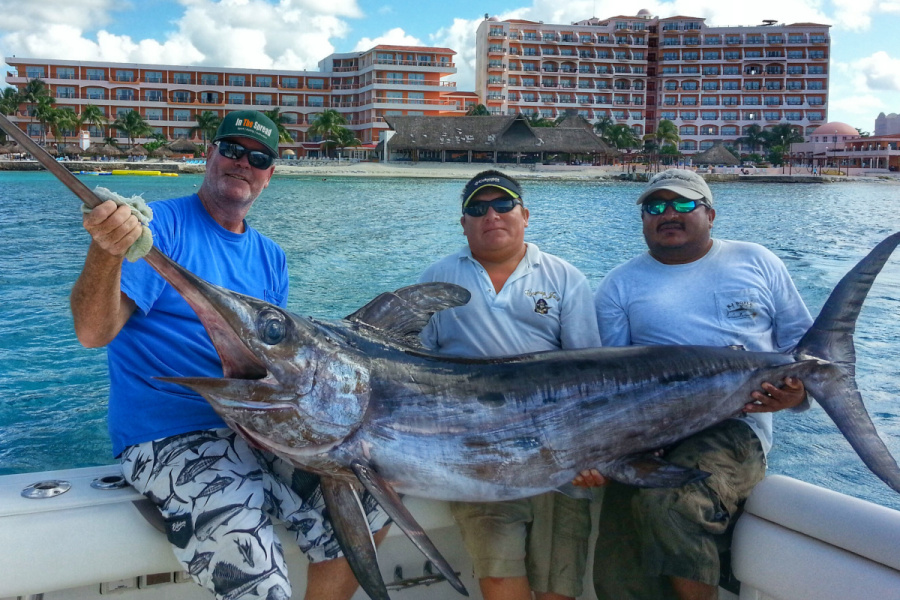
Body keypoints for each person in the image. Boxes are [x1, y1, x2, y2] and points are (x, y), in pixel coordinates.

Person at [70, 110, 389, 600]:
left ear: (269, 173)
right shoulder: (160, 228)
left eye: (258, 157)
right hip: (170, 435)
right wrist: (106, 251)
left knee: (376, 502)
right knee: (258, 575)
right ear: (209, 153)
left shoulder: (271, 256)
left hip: (258, 428)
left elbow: (275, 368)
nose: (244, 163)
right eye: (233, 150)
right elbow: (93, 332)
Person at [586, 168, 812, 600]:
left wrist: (796, 392)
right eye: (655, 206)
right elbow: (606, 385)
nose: (668, 213)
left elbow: (803, 353)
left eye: (684, 203)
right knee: (618, 573)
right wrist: (594, 449)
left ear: (710, 214)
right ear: (644, 220)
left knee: (676, 502)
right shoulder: (619, 284)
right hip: (643, 434)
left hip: (735, 425)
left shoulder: (757, 261)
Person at [418, 170, 602, 600]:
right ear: (463, 222)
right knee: (499, 577)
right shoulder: (436, 279)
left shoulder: (564, 278)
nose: (491, 216)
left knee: (560, 584)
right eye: (477, 209)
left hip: (560, 447)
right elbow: (415, 370)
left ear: (525, 214)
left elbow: (590, 376)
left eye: (503, 205)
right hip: (476, 454)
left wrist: (594, 448)